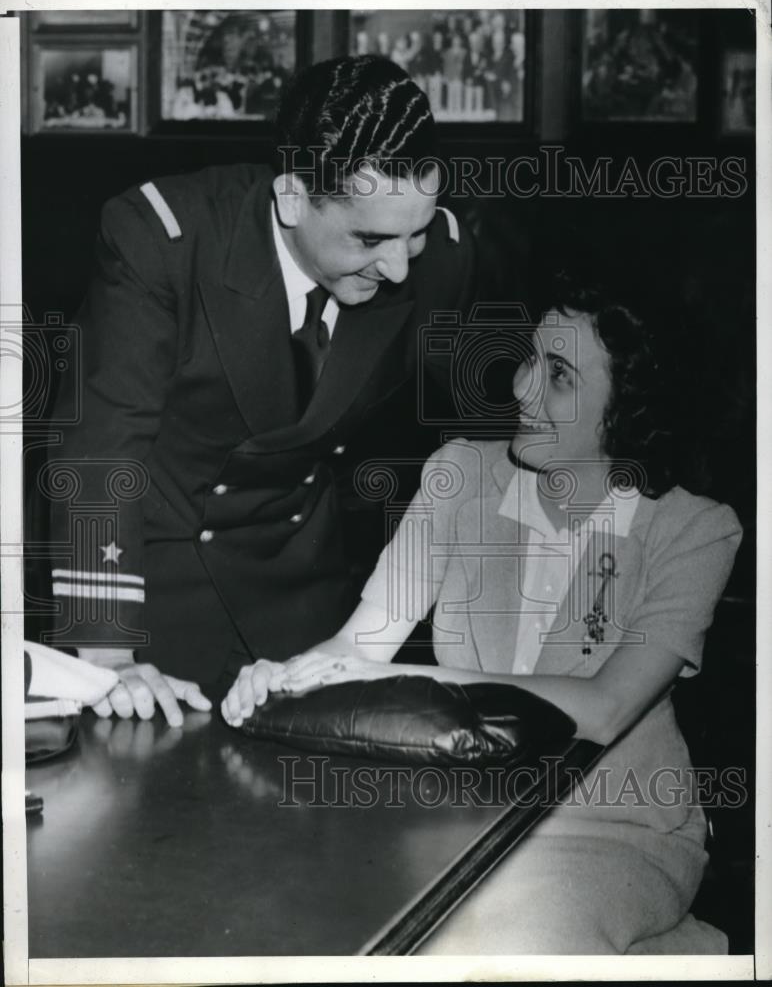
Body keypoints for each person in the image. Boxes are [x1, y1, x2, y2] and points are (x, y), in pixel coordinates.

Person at [223, 264, 742, 953]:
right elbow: (358, 649)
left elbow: (608, 706)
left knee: (511, 938)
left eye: (559, 376)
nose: (521, 386)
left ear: (628, 407)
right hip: (459, 819)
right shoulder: (458, 475)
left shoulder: (694, 529)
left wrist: (432, 686)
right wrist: (281, 679)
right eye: (530, 358)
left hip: (615, 828)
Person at [44, 55, 475, 726]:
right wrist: (106, 659)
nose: (397, 267)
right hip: (154, 601)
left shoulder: (441, 260)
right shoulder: (164, 240)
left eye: (415, 233)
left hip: (302, 600)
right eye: (370, 239)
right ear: (294, 196)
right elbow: (103, 455)